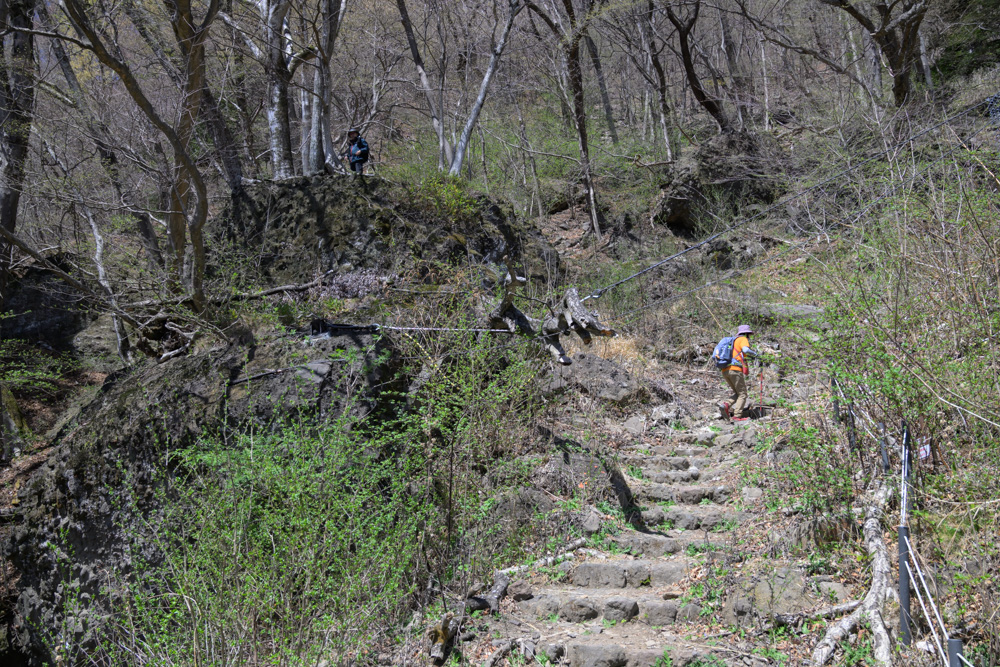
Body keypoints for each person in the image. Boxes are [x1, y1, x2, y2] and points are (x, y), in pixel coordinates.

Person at [720, 324, 759, 422]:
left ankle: (726, 405)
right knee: (743, 394)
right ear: (746, 334)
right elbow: (746, 349)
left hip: (725, 370)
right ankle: (737, 416)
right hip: (735, 370)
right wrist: (756, 355)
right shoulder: (743, 339)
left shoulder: (732, 342)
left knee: (738, 393)